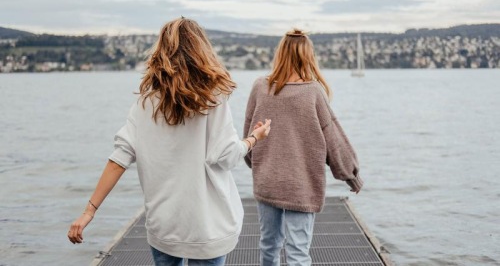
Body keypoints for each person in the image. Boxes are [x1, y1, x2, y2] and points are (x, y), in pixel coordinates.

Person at [67, 17, 271, 266]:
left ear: (161, 51)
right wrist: (253, 139)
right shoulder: (214, 97)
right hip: (207, 225)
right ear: (202, 49)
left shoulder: (146, 102)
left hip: (164, 225)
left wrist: (89, 211)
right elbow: (225, 155)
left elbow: (118, 160)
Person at [243, 29, 363, 266]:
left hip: (268, 180)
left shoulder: (259, 86)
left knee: (269, 246)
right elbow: (334, 140)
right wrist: (351, 176)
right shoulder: (313, 92)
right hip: (302, 185)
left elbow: (249, 135)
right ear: (309, 57)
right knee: (298, 253)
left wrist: (258, 165)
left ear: (280, 54)